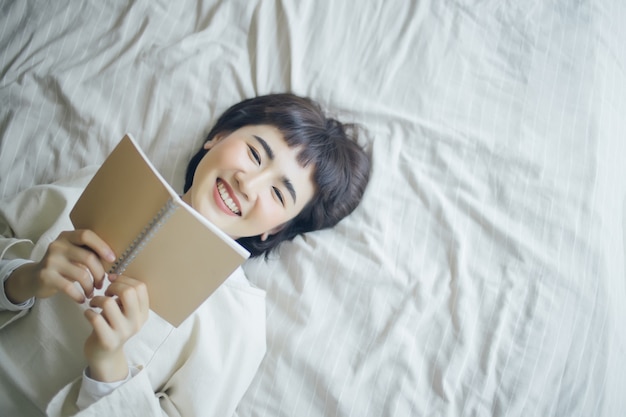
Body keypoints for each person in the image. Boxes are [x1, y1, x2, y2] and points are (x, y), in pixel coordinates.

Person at [0, 93, 371, 416]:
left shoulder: (240, 326)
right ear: (218, 137)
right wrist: (23, 279)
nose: (249, 182)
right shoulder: (104, 181)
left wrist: (110, 364)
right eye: (255, 154)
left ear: (274, 229)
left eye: (278, 194)